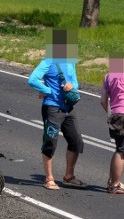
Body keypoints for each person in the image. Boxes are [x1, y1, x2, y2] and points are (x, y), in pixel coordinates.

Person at [27, 29, 85, 190]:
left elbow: (76, 82)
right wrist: (47, 91)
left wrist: (72, 86)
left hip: (68, 106)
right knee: (50, 142)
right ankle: (49, 178)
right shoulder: (48, 61)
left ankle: (69, 175)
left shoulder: (70, 61)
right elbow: (32, 79)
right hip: (52, 107)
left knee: (76, 141)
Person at [100, 56, 124, 195]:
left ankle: (112, 181)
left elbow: (103, 100)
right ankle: (115, 185)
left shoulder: (108, 76)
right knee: (122, 151)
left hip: (114, 115)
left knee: (118, 148)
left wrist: (111, 113)